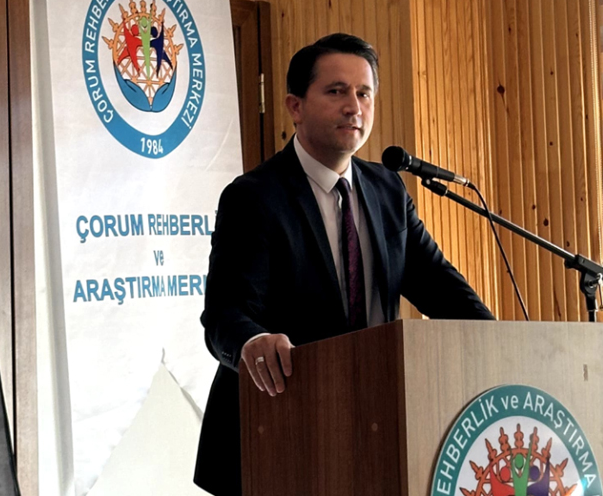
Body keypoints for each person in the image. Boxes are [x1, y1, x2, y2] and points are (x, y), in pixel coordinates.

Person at [193, 33, 494, 496]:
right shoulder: (253, 197)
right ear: (295, 106)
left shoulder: (388, 190)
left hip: (371, 423)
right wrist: (253, 341)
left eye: (364, 93)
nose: (354, 107)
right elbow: (225, 314)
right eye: (336, 91)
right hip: (275, 429)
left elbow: (442, 288)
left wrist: (499, 345)